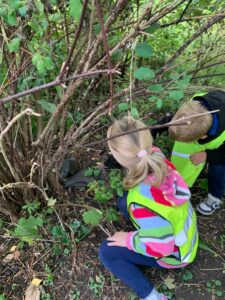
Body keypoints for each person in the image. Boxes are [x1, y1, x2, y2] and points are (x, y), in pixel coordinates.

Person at [99, 117, 198, 300]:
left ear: (117, 156)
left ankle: (152, 296)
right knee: (124, 202)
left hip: (177, 253)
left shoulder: (142, 203)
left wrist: (129, 240)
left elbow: (163, 247)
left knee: (107, 252)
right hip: (185, 232)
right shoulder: (156, 156)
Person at [164, 90, 225, 215]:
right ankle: (178, 181)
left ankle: (215, 197)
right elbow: (168, 121)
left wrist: (208, 156)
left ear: (203, 137)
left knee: (219, 166)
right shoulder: (192, 110)